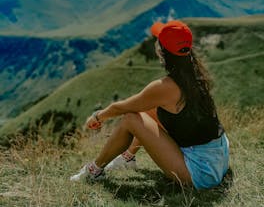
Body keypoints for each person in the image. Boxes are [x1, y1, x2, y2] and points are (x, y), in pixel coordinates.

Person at [70, 20, 229, 190]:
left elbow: (122, 108)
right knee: (149, 110)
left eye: (158, 40)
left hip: (201, 172)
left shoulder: (165, 87)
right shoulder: (195, 75)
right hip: (218, 158)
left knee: (131, 118)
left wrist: (97, 116)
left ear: (161, 50)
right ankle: (127, 158)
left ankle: (94, 171)